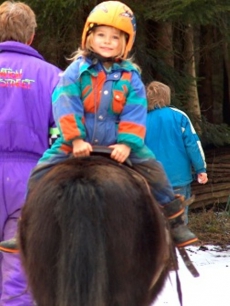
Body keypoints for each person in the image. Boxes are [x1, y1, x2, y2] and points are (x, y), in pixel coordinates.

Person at [0, 0, 198, 257]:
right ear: (89, 36)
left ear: (126, 43)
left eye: (115, 37)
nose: (107, 41)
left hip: (119, 142)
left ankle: (174, 221)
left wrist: (127, 143)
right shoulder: (75, 72)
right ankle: (27, 224)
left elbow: (134, 111)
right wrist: (75, 138)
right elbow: (65, 102)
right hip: (76, 142)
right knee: (41, 171)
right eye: (101, 35)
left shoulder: (131, 78)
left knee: (155, 171)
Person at [0, 1, 61, 305]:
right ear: (31, 37)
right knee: (19, 270)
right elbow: (66, 135)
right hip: (32, 180)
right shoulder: (54, 78)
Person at [145, 81, 208, 223]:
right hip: (178, 178)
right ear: (166, 96)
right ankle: (178, 244)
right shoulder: (179, 116)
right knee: (178, 220)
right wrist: (201, 169)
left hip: (149, 179)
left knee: (153, 220)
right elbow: (193, 145)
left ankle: (157, 244)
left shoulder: (139, 119)